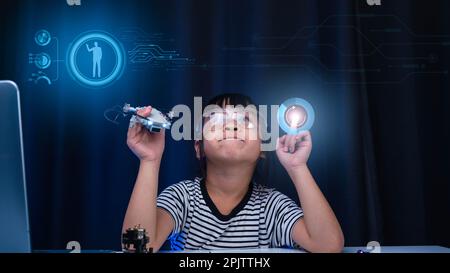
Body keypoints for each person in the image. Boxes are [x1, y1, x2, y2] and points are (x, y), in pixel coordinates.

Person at [122, 93, 344, 252]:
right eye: (217, 120)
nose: (231, 126)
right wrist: (149, 161)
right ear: (199, 147)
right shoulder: (183, 197)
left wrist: (297, 167)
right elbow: (136, 248)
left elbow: (327, 246)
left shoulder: (271, 206)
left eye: (245, 119)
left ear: (262, 148)